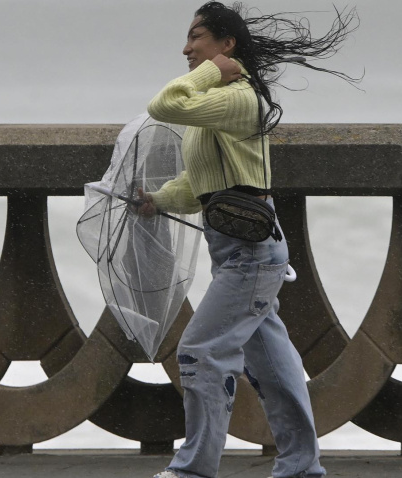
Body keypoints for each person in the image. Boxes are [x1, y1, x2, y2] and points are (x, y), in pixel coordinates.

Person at [135, 3, 359, 477]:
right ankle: (302, 468)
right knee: (275, 371)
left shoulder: (238, 96)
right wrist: (158, 199)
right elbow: (201, 185)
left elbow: (165, 104)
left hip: (250, 255)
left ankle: (193, 470)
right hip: (239, 250)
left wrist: (211, 72)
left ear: (227, 44)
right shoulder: (220, 107)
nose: (186, 48)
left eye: (197, 37)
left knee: (201, 351)